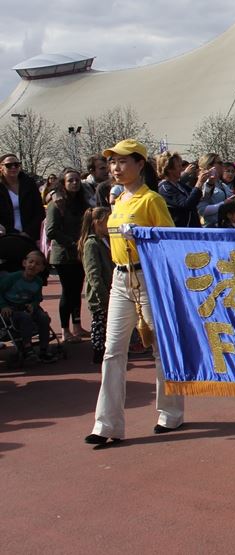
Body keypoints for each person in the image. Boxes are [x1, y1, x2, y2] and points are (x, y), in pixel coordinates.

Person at [85, 139, 185, 446]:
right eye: (113, 162)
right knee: (113, 351)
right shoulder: (116, 200)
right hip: (120, 278)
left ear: (140, 164)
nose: (115, 167)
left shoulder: (151, 200)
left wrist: (143, 236)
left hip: (148, 279)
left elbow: (168, 241)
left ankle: (170, 412)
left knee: (159, 350)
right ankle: (107, 424)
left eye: (123, 161)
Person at [45, 169, 90, 342]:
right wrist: (72, 242)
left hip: (78, 254)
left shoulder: (81, 203)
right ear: (63, 183)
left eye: (77, 180)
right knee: (67, 291)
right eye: (70, 180)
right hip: (63, 255)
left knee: (77, 290)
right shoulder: (56, 204)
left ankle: (77, 326)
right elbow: (51, 231)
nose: (74, 183)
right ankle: (65, 330)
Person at [0, 249, 57, 364]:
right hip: (11, 309)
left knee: (43, 318)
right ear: (24, 263)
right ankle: (27, 348)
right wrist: (3, 306)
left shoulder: (38, 281)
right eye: (31, 262)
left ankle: (44, 349)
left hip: (27, 307)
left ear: (42, 268)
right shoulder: (13, 278)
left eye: (37, 264)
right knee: (25, 318)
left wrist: (33, 305)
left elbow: (37, 298)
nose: (33, 265)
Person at [79, 207, 113, 364]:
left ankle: (105, 351)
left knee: (108, 324)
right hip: (100, 293)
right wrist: (102, 296)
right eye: (108, 220)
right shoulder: (91, 244)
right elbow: (93, 274)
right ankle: (98, 354)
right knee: (99, 323)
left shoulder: (105, 240)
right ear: (98, 223)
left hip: (109, 288)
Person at [0, 154, 46, 241]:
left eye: (16, 164)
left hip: (30, 235)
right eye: (9, 165)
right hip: (6, 236)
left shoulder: (29, 184)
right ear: (1, 168)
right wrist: (13, 233)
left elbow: (39, 211)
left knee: (35, 255)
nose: (13, 167)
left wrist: (28, 233)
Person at [157, 152, 209, 228]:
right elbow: (187, 205)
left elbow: (197, 198)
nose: (182, 169)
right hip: (181, 232)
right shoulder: (165, 188)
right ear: (169, 170)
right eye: (178, 166)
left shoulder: (179, 185)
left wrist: (209, 182)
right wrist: (199, 182)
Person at [196, 153, 231, 227]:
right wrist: (223, 204)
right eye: (219, 163)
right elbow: (202, 210)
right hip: (211, 228)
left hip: (224, 226)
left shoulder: (223, 185)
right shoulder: (203, 184)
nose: (223, 165)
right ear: (209, 166)